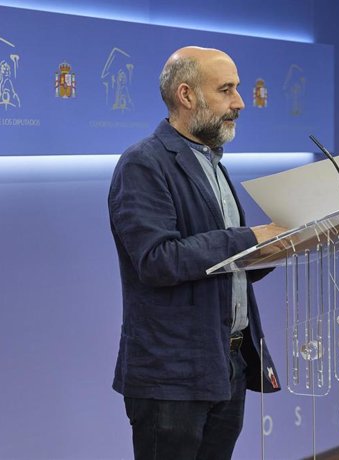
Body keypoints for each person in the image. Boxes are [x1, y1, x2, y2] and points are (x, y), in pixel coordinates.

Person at [108, 46, 284, 460]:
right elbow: (157, 260)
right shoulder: (142, 164)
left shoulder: (212, 161)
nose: (239, 102)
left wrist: (286, 244)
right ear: (186, 96)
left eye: (237, 89)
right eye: (226, 90)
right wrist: (251, 238)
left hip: (228, 365)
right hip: (172, 377)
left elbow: (224, 262)